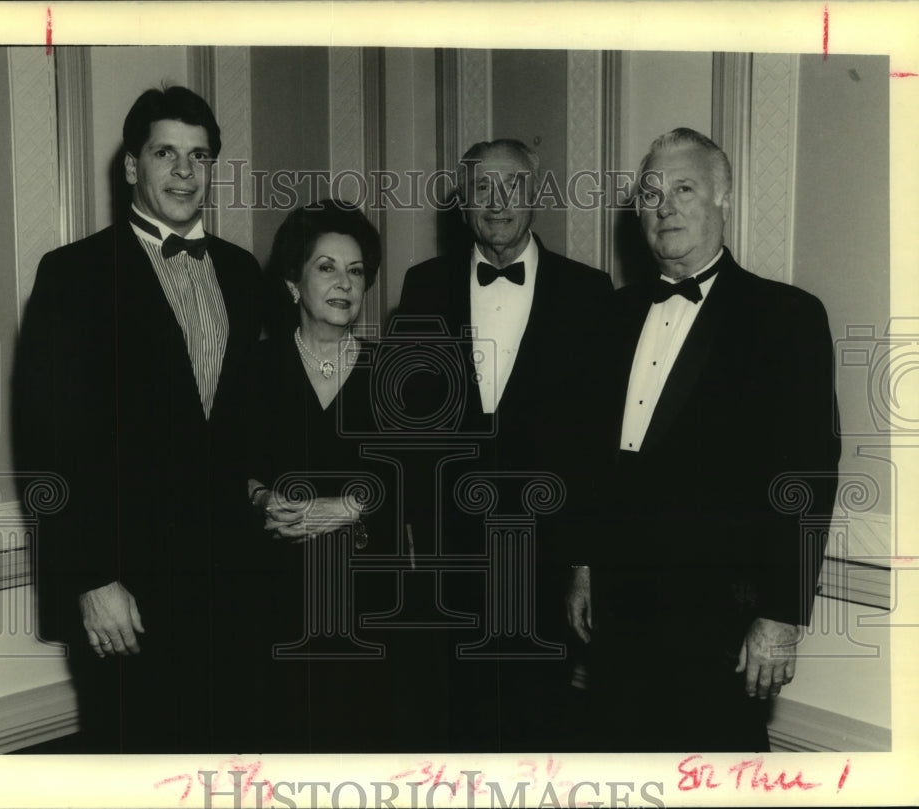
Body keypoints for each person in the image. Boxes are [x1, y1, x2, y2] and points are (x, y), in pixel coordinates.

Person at [566, 128, 841, 751]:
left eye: (684, 188)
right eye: (651, 192)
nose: (664, 206)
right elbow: (591, 458)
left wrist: (781, 615)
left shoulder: (786, 318)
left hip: (721, 622)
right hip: (619, 616)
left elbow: (808, 472)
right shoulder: (610, 316)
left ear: (724, 198)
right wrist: (583, 565)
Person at [13, 86, 264, 752]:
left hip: (232, 583)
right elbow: (47, 443)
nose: (184, 172)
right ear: (131, 166)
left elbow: (248, 426)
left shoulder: (243, 274)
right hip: (125, 582)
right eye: (165, 153)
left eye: (200, 155)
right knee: (135, 758)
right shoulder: (73, 274)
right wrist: (92, 579)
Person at [397, 139, 613, 751]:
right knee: (450, 724)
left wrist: (586, 563)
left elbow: (601, 446)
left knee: (539, 729)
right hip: (448, 557)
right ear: (463, 203)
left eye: (512, 186)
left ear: (537, 196)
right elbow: (408, 426)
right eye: (482, 189)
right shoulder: (423, 286)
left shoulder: (591, 294)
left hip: (549, 559)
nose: (498, 203)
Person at [245, 199, 399, 751]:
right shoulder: (255, 370)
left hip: (370, 606)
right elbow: (226, 468)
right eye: (326, 267)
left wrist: (349, 506)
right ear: (293, 282)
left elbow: (420, 484)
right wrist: (264, 498)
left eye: (356, 271)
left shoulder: (393, 373)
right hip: (275, 601)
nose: (345, 283)